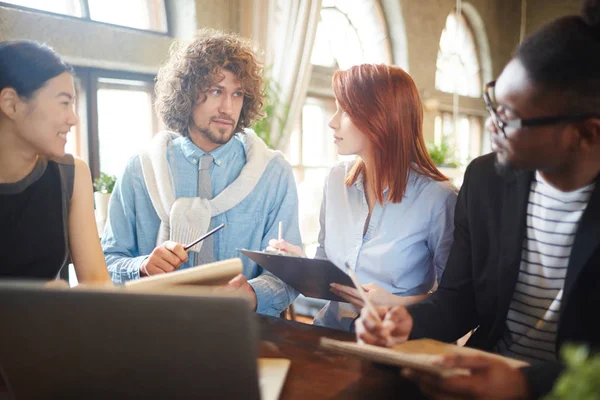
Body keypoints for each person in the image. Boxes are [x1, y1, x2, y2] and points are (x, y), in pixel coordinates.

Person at [355, 1, 600, 398]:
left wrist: (524, 384)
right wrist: (405, 322)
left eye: (510, 117)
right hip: (481, 376)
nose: (492, 125)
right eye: (493, 102)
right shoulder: (486, 180)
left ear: (586, 134)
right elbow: (459, 300)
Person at [101, 29, 301, 316]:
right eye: (216, 91)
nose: (227, 107)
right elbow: (107, 262)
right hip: (152, 330)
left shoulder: (272, 172)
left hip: (241, 333)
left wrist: (254, 294)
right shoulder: (140, 169)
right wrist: (142, 267)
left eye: (238, 94)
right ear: (187, 93)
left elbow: (290, 273)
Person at [268, 64, 457, 331]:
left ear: (381, 116)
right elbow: (327, 267)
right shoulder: (335, 180)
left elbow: (456, 301)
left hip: (392, 344)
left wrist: (394, 303)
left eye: (344, 111)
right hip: (330, 333)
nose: (332, 121)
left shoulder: (438, 198)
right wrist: (298, 264)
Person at [0, 40, 111, 284]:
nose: (73, 119)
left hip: (51, 323)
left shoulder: (71, 174)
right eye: (64, 102)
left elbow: (97, 283)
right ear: (11, 104)